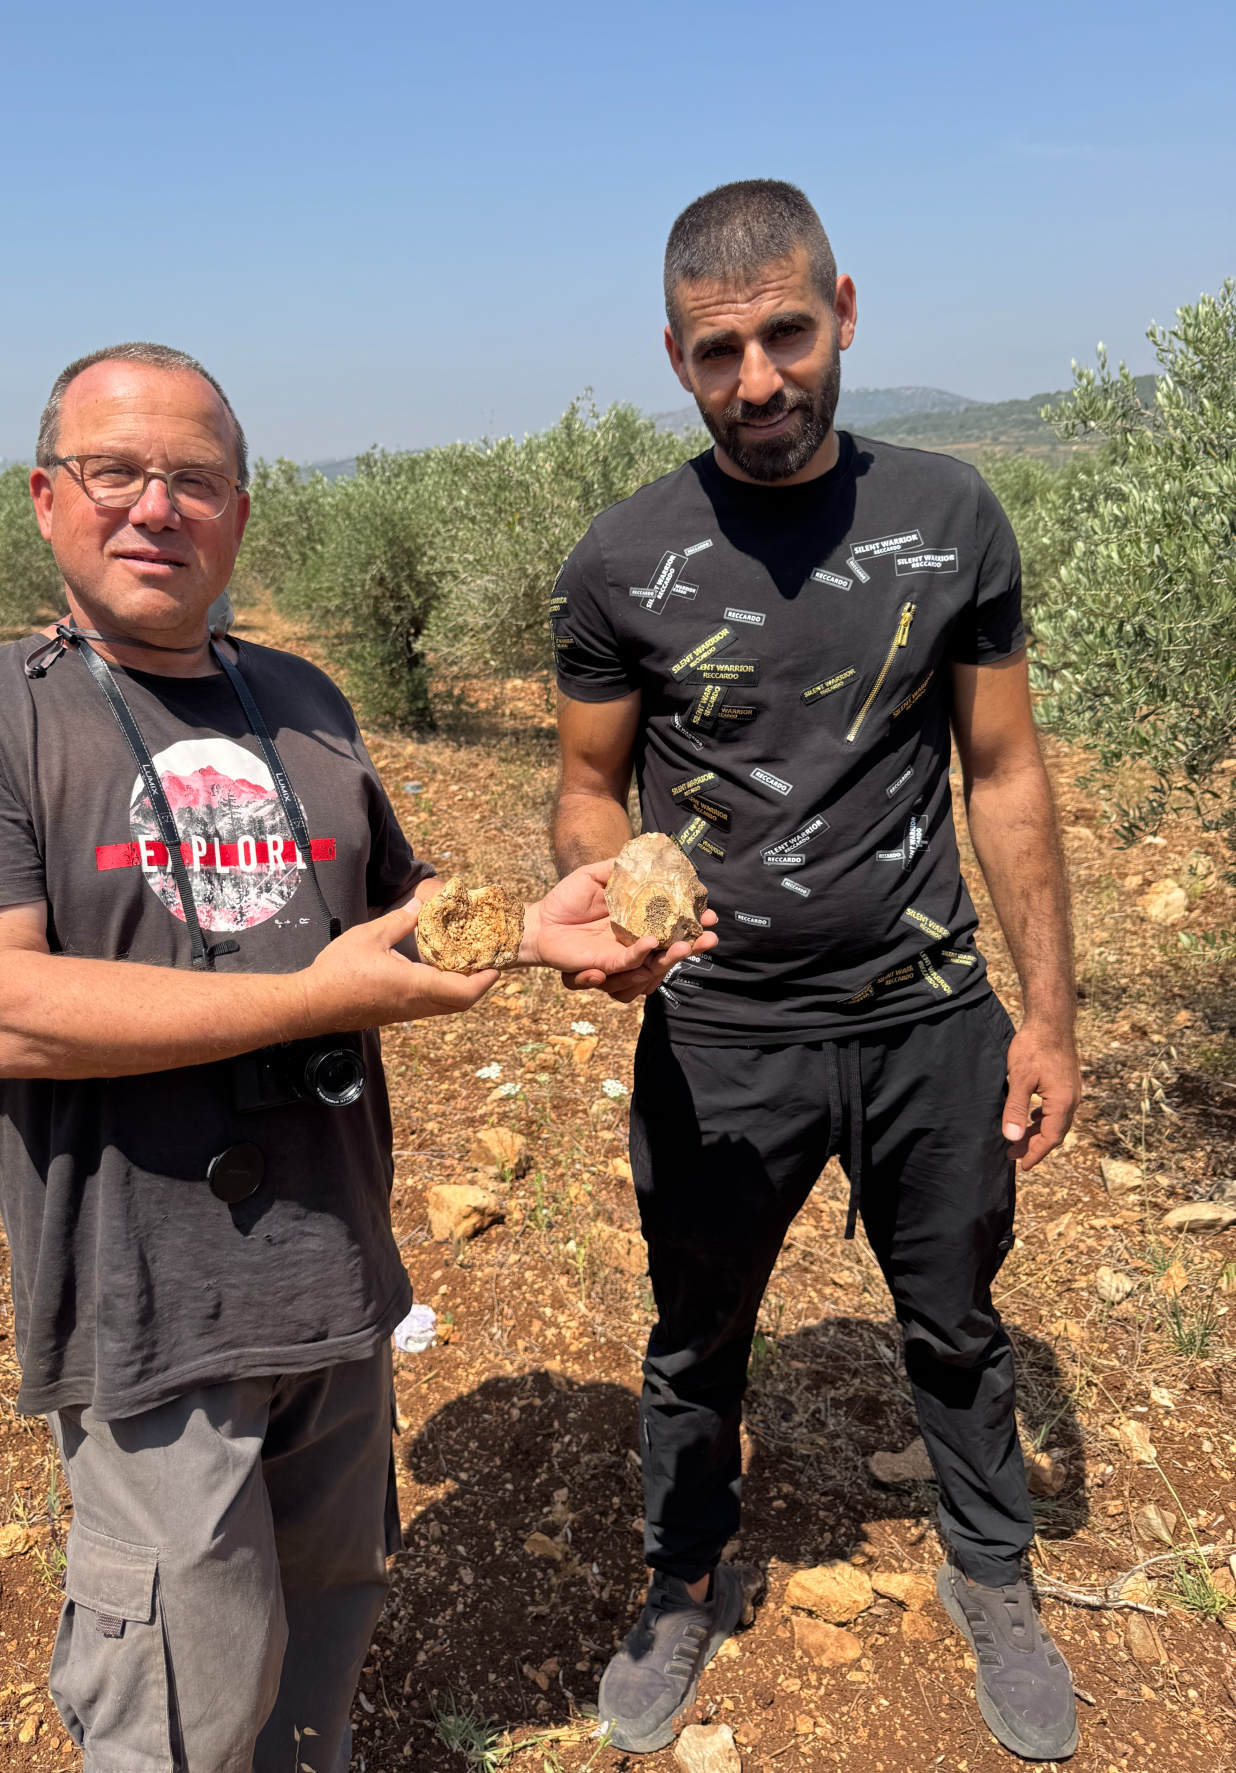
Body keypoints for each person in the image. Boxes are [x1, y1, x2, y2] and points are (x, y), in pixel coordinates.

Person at [0, 342, 712, 1773]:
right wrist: (308, 998)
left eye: (194, 479)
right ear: (45, 496)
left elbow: (410, 932)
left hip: (333, 1276)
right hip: (148, 1310)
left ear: (241, 514)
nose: (154, 508)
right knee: (185, 1695)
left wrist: (549, 936)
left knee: (323, 1641)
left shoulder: (304, 701)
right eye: (114, 472)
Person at [550, 184, 1081, 1762]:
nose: (761, 378)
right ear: (675, 357)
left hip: (930, 1020)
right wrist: (607, 900)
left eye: (787, 333)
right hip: (721, 1032)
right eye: (721, 351)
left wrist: (1048, 1016)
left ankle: (992, 1572)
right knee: (696, 1330)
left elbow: (1003, 772)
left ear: (844, 310)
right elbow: (587, 780)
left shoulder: (951, 512)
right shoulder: (622, 558)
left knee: (956, 1316)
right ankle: (680, 1577)